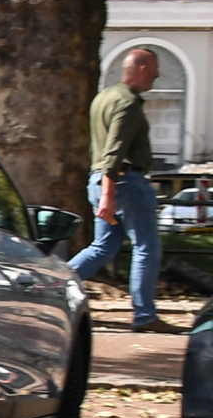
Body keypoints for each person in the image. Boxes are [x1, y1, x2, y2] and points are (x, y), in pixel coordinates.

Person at [69, 47, 177, 332]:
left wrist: (104, 190)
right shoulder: (127, 103)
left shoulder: (103, 97)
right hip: (124, 184)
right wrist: (109, 194)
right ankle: (145, 316)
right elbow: (114, 152)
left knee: (103, 247)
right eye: (153, 70)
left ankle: (53, 287)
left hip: (102, 181)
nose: (156, 75)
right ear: (141, 69)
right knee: (146, 247)